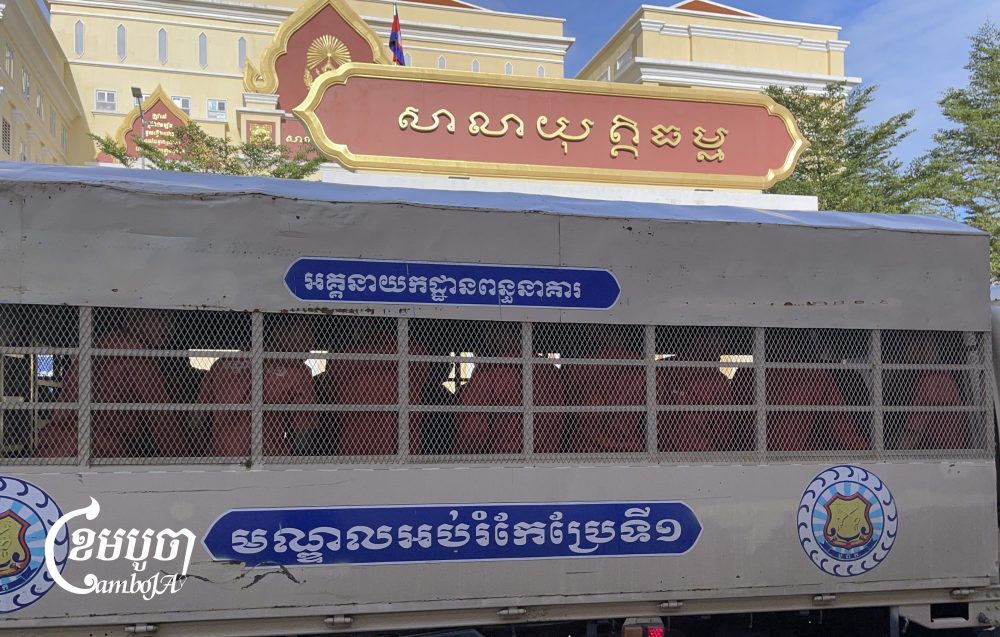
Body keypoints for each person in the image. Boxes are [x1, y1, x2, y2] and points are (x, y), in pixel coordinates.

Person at [37, 309, 182, 458]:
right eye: (162, 316)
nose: (169, 327)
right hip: (101, 449)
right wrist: (185, 461)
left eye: (173, 320)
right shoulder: (137, 357)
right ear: (136, 316)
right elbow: (162, 419)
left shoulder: (97, 346)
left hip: (58, 445)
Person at [199, 314, 317, 457]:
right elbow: (303, 433)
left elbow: (198, 419)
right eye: (305, 333)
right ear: (278, 333)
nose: (311, 342)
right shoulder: (298, 371)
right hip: (268, 459)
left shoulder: (220, 365)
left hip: (218, 458)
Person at [315, 319, 430, 455]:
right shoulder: (412, 352)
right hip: (401, 443)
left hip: (354, 443)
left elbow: (329, 389)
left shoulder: (342, 357)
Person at [453, 326, 563, 454]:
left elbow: (474, 430)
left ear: (492, 338)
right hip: (551, 459)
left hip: (500, 461)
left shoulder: (489, 374)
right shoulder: (550, 373)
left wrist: (456, 457)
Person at [764, 330, 868, 451]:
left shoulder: (751, 373)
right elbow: (841, 425)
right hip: (792, 453)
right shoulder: (815, 374)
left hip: (758, 451)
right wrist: (866, 451)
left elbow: (840, 423)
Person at [568, 325, 645, 453]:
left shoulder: (579, 367)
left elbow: (575, 417)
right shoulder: (645, 367)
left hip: (586, 450)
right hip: (632, 449)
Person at [656, 334, 733, 452]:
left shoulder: (663, 367)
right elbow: (723, 430)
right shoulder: (717, 381)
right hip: (700, 451)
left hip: (661, 448)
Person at [894, 332, 967, 449]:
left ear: (917, 349)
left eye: (905, 347)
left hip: (939, 452)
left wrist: (894, 454)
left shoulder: (929, 382)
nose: (902, 352)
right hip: (954, 449)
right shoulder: (945, 377)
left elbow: (914, 431)